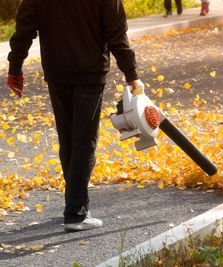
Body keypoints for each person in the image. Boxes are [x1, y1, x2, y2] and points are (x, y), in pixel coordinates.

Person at [7, 0, 144, 231]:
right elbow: (116, 33)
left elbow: (25, 27)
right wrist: (131, 73)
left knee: (69, 139)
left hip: (57, 71)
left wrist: (15, 67)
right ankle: (76, 212)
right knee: (84, 143)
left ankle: (75, 203)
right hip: (90, 72)